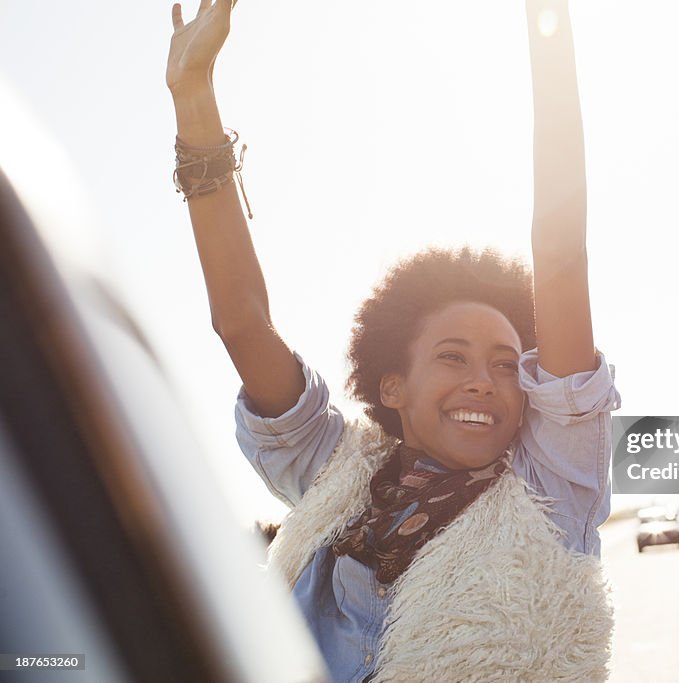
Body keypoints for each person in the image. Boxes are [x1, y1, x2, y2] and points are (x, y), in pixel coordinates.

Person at [166, 1, 620, 681]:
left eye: (504, 364)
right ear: (391, 386)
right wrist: (193, 99)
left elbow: (558, 254)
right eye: (452, 356)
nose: (483, 381)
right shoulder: (336, 477)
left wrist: (548, 30)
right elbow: (240, 323)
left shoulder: (551, 492)